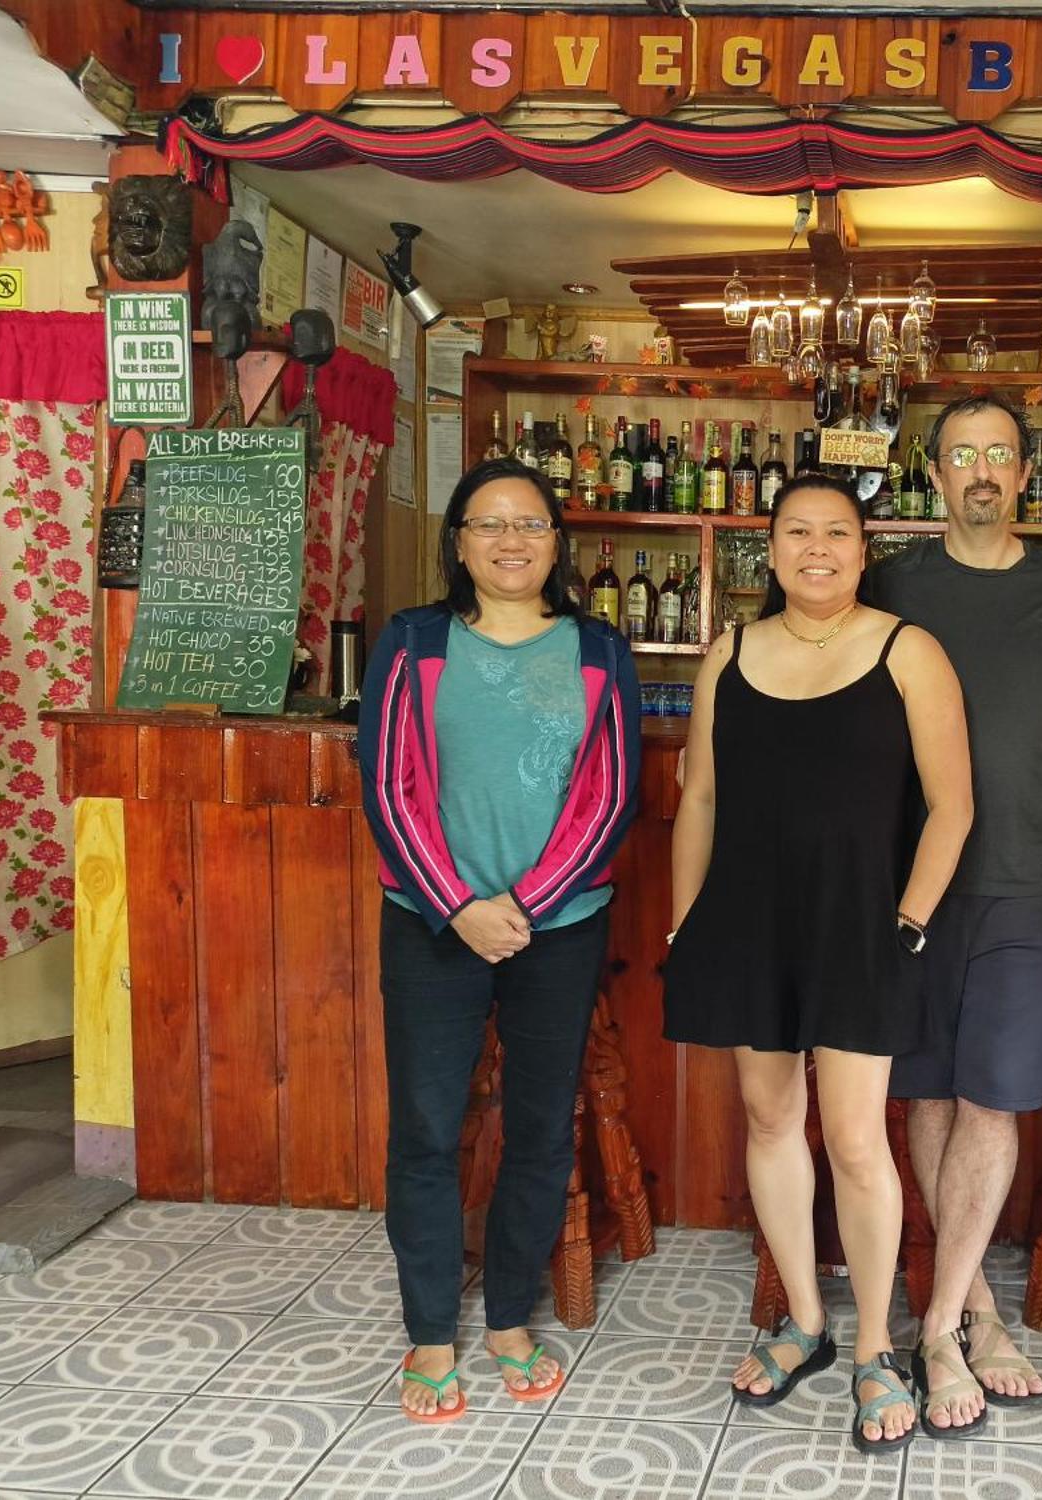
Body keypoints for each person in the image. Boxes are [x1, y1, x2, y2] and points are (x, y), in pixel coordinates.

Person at [664, 474, 972, 1453]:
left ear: (861, 546)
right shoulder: (730, 653)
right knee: (767, 1118)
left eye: (835, 533)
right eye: (797, 532)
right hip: (746, 922)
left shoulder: (905, 649)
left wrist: (909, 924)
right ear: (769, 548)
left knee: (851, 1139)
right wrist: (684, 929)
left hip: (860, 927)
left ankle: (876, 1347)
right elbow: (699, 798)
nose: (816, 549)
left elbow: (951, 806)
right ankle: (803, 1318)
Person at [355, 457, 640, 1422]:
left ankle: (510, 1316)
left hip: (557, 929)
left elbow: (611, 794)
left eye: (530, 525)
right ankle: (432, 1334)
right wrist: (460, 904)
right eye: (490, 524)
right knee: (429, 1130)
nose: (511, 541)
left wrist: (524, 902)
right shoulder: (413, 640)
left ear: (557, 543)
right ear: (459, 542)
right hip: (432, 924)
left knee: (538, 1126)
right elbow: (389, 785)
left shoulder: (598, 648)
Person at [869, 393, 1042, 1438]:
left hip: (1032, 883)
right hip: (910, 887)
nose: (980, 470)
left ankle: (931, 1329)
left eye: (1000, 456)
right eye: (961, 454)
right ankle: (970, 1312)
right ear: (934, 474)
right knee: (927, 1099)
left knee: (989, 1103)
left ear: (1027, 474)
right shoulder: (889, 583)